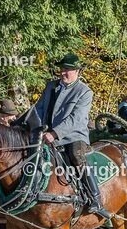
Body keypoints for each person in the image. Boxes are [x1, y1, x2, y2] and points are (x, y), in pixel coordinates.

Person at [32, 53, 111, 219]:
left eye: (67, 69)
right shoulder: (51, 86)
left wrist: (55, 133)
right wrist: (30, 125)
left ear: (77, 71)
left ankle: (95, 198)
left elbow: (76, 119)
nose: (63, 72)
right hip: (46, 134)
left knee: (76, 155)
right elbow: (38, 109)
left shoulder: (84, 92)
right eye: (62, 69)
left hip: (73, 136)